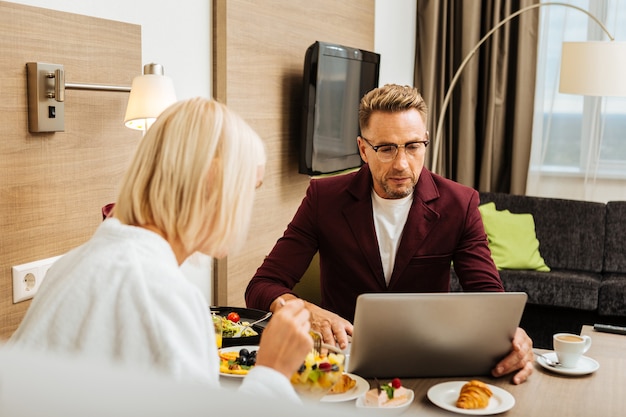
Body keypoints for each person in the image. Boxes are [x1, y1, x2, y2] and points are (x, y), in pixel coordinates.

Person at [8, 97, 313, 400]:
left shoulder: (72, 264)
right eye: (248, 189)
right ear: (211, 182)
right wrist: (272, 371)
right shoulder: (162, 297)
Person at [245, 84, 534, 384]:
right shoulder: (324, 199)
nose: (401, 164)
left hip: (429, 366)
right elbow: (261, 285)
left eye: (413, 146)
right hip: (340, 370)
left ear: (424, 143)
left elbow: (490, 301)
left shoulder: (460, 204)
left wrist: (513, 336)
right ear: (363, 150)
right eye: (386, 148)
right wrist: (304, 309)